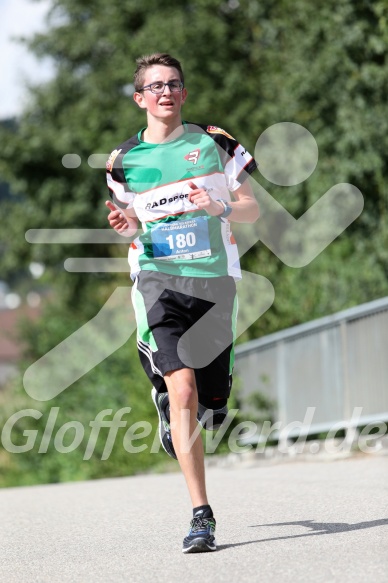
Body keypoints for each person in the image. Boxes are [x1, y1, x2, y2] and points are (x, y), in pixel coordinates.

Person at [105, 53, 259, 554]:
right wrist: (127, 228)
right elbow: (131, 223)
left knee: (213, 402)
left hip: (215, 283)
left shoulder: (215, 142)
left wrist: (222, 206)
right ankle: (201, 515)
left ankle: (194, 405)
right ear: (140, 98)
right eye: (154, 86)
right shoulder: (122, 162)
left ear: (183, 93)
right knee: (184, 391)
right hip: (158, 282)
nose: (165, 93)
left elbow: (252, 208)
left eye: (173, 84)